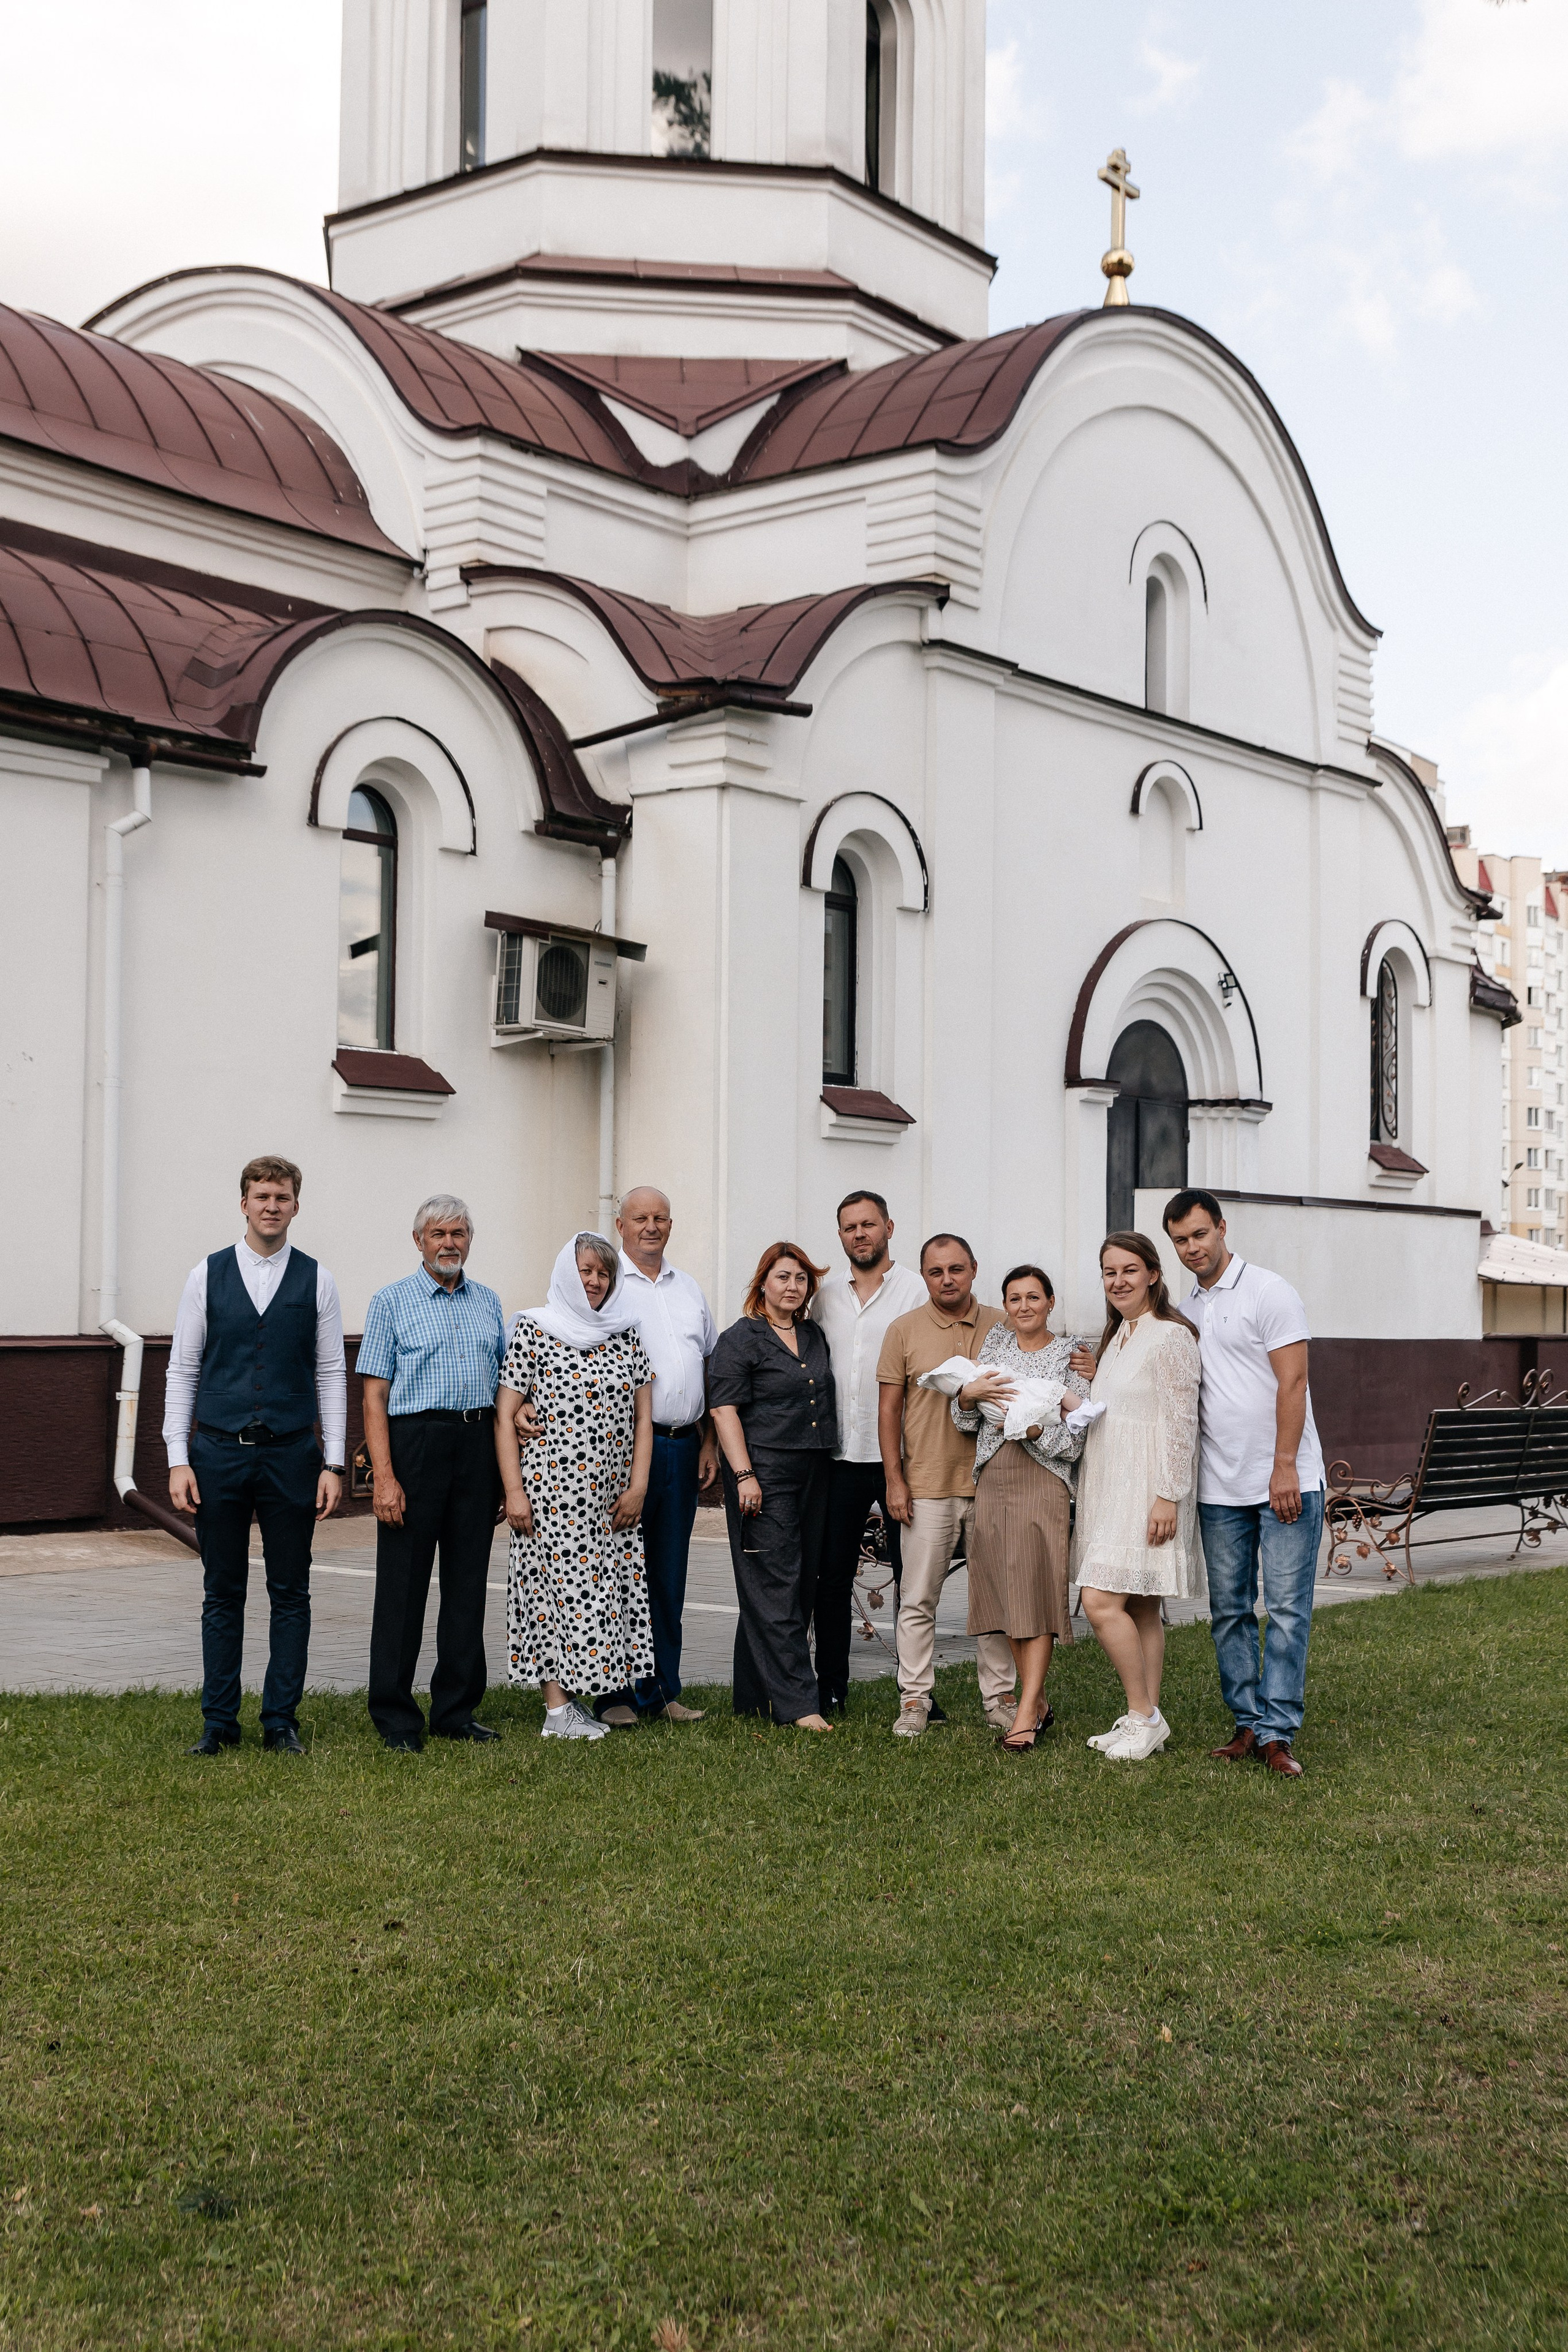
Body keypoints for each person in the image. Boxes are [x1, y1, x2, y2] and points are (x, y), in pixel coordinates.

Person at [166, 1155, 346, 1756]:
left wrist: (334, 1462)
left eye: (283, 1196)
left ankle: (280, 1720)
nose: (272, 1206)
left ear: (297, 1205)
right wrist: (176, 1456)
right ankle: (219, 1720)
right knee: (222, 1590)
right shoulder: (205, 1275)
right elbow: (183, 1367)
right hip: (216, 1452)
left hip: (293, 1455)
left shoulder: (317, 1279)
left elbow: (329, 1372)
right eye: (262, 1196)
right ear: (243, 1203)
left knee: (291, 1590)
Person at [1162, 1187, 1327, 1778]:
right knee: (1229, 1610)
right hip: (1220, 1489)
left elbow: (1294, 1383)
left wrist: (1284, 1465)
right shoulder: (1188, 1311)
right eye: (1180, 1240)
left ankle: (1278, 1733)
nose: (1191, 1248)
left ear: (1222, 1228)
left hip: (1286, 1480)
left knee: (1285, 1610)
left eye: (1200, 1235)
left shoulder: (1270, 1291)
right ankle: (1248, 1723)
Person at [359, 1195, 508, 1752]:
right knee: (403, 1588)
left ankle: (456, 1710)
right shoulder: (391, 1302)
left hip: (476, 1444)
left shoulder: (489, 1302)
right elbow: (374, 1396)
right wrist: (385, 1476)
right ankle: (396, 1718)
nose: (450, 1243)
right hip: (414, 1444)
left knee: (468, 1586)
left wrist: (504, 1467)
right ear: (418, 1240)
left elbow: (503, 1387)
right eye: (439, 1233)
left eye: (460, 1233)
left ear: (471, 1240)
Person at [494, 1233, 655, 1742]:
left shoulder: (626, 1333)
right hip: (551, 1496)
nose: (595, 1281)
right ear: (568, 1271)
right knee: (551, 1596)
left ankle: (573, 1706)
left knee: (598, 1598)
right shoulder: (534, 1330)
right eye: (586, 1270)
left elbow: (643, 1419)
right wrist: (514, 1492)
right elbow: (504, 1416)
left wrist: (639, 1487)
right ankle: (557, 1712)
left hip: (609, 1498)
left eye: (604, 1273)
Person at [1069, 1231, 1204, 1762]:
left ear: (1152, 1273)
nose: (1119, 1280)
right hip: (1110, 1485)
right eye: (1109, 1272)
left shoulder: (1171, 1337)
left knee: (1099, 1601)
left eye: (1129, 1270)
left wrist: (1168, 1495)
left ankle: (1143, 1715)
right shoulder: (1120, 1335)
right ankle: (1145, 1717)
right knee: (1142, 1605)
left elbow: (1180, 1421)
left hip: (1148, 1489)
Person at [876, 1235, 1017, 1739]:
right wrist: (895, 1480)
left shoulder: (1006, 1323)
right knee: (918, 1599)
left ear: (974, 1269)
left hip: (994, 1484)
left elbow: (1041, 1376)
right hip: (928, 1485)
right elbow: (889, 1411)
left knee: (995, 1600)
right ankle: (914, 1698)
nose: (948, 1280)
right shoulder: (904, 1330)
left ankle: (1000, 1698)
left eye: (957, 1269)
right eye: (936, 1272)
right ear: (924, 1275)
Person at [592, 1186, 719, 1727]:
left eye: (661, 1218)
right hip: (621, 1452)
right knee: (620, 1574)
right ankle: (614, 1695)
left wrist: (709, 1439)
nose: (651, 1226)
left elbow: (710, 1362)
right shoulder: (603, 1285)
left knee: (668, 1576)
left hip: (683, 1446)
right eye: (640, 1218)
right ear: (619, 1225)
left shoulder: (688, 1287)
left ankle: (664, 1690)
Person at [953, 1266, 1089, 1754]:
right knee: (1006, 1595)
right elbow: (962, 1417)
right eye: (1015, 1298)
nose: (1024, 1306)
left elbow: (1078, 1435)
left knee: (1035, 1590)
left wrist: (1033, 1431)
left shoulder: (1071, 1354)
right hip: (993, 1480)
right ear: (1006, 1306)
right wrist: (968, 1395)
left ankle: (1026, 1711)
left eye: (1034, 1297)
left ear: (1051, 1301)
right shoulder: (993, 1348)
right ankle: (1038, 1702)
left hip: (1043, 1481)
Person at [708, 1243, 837, 1730]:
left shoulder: (813, 1334)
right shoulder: (740, 1339)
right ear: (763, 1283)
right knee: (776, 1586)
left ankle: (755, 1698)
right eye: (783, 1277)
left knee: (794, 1586)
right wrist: (743, 1476)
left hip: (815, 1471)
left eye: (801, 1280)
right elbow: (724, 1410)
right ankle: (799, 1707)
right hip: (765, 1473)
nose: (792, 1287)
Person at [807, 1189, 925, 1713]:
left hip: (898, 1457)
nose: (860, 1234)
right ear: (841, 1236)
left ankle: (917, 1692)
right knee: (831, 1578)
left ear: (889, 1228)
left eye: (869, 1225)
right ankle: (831, 1687)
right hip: (838, 1458)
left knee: (911, 1577)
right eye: (850, 1227)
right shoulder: (825, 1297)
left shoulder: (916, 1290)